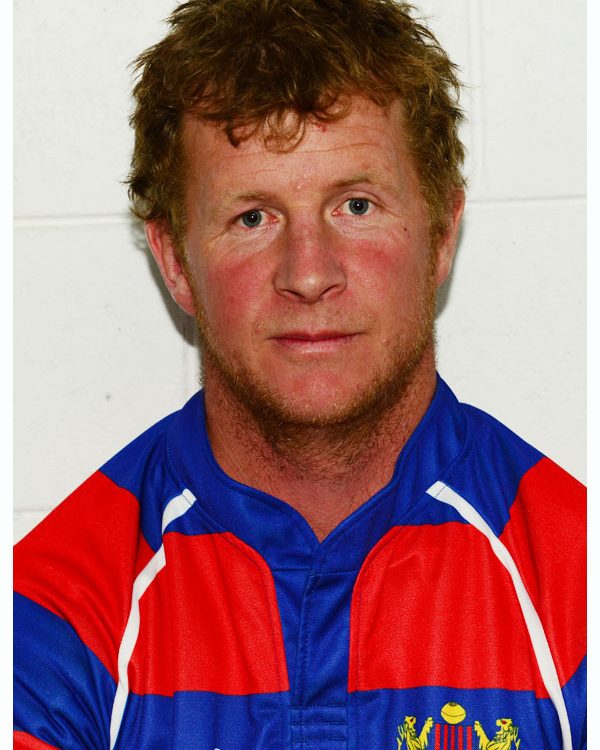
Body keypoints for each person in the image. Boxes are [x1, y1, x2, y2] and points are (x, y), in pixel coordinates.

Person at [13, 1, 585, 748]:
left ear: (442, 234)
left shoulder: (577, 583)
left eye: (356, 205)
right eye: (253, 217)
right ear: (175, 261)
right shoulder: (52, 613)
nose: (309, 274)